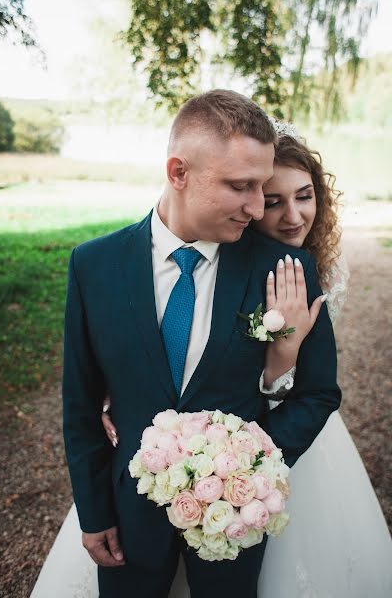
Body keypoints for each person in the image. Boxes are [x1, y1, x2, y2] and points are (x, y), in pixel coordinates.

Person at [32, 91, 341, 598]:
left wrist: (251, 466)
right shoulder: (94, 266)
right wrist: (92, 512)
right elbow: (80, 405)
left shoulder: (283, 268)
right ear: (179, 172)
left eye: (261, 186)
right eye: (241, 186)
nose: (257, 205)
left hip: (236, 519)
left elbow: (318, 392)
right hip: (127, 518)